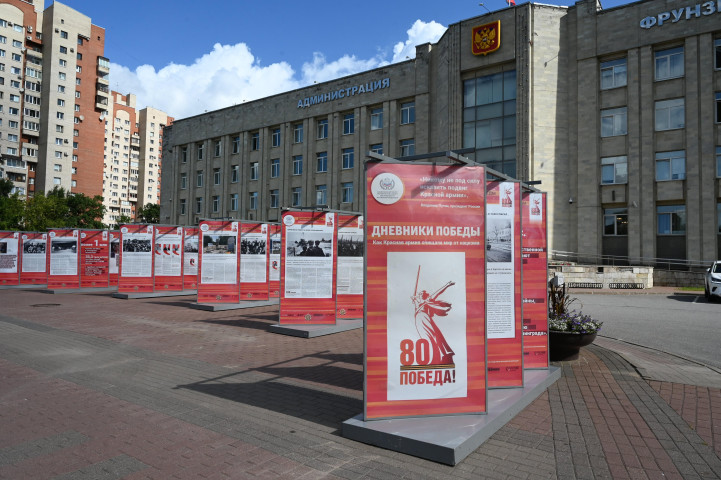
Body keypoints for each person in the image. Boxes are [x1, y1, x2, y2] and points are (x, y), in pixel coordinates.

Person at [411, 278, 456, 366]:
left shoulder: (427, 300)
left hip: (424, 318)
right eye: (419, 294)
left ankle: (440, 355)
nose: (419, 294)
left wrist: (447, 285)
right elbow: (415, 304)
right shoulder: (417, 303)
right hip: (419, 321)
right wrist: (414, 299)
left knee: (433, 336)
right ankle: (432, 357)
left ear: (424, 295)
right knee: (425, 338)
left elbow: (437, 292)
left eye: (421, 293)